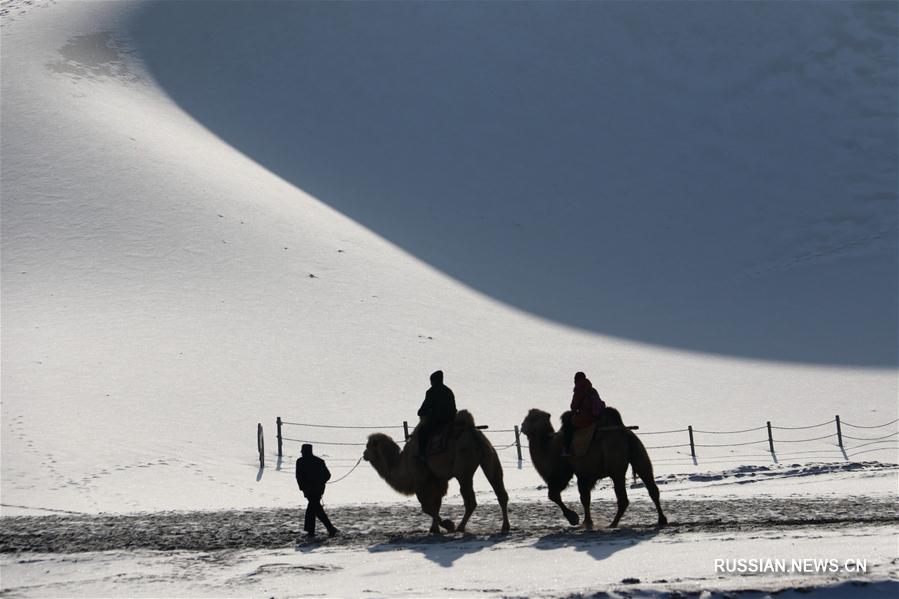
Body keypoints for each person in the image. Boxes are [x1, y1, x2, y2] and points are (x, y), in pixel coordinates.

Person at [295, 444, 338, 538]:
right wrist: (321, 482)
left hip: (308, 491)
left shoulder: (300, 462)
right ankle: (326, 529)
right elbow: (328, 475)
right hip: (318, 490)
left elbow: (299, 477)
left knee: (315, 509)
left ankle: (326, 529)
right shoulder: (319, 461)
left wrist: (303, 488)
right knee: (314, 508)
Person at [417, 370, 457, 461]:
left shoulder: (431, 392)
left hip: (437, 421)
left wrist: (421, 412)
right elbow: (453, 407)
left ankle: (422, 455)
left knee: (422, 432)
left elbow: (423, 409)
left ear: (433, 381)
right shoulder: (448, 391)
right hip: (451, 420)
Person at [562, 371, 604, 455]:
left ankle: (567, 449)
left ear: (576, 380)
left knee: (568, 424)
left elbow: (573, 407)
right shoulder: (593, 390)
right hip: (596, 419)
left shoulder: (579, 389)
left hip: (585, 419)